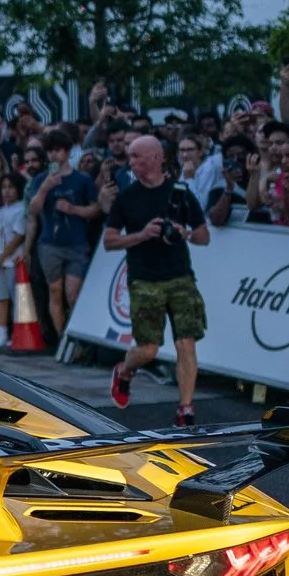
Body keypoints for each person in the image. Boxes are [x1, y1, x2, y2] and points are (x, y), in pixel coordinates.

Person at [103, 134, 210, 423]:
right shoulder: (127, 197)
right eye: (130, 157)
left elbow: (204, 235)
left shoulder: (180, 193)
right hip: (144, 278)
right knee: (148, 349)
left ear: (155, 158)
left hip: (180, 275)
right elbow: (109, 241)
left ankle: (185, 407)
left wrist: (184, 232)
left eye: (136, 156)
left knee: (186, 342)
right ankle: (124, 371)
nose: (131, 162)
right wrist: (141, 235)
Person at [28, 131, 97, 343]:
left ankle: (77, 337)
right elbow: (33, 210)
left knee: (72, 293)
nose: (54, 156)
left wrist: (73, 209)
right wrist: (45, 188)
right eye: (50, 151)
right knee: (54, 290)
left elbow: (95, 210)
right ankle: (62, 339)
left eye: (58, 151)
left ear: (67, 153)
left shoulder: (82, 180)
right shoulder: (41, 179)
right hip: (50, 243)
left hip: (76, 243)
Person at [0, 166, 29, 350]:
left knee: (16, 298)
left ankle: (17, 332)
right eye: (3, 187)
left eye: (11, 187)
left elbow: (18, 236)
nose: (7, 191)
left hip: (14, 261)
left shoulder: (21, 210)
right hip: (0, 262)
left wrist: (2, 256)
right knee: (1, 298)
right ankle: (1, 331)